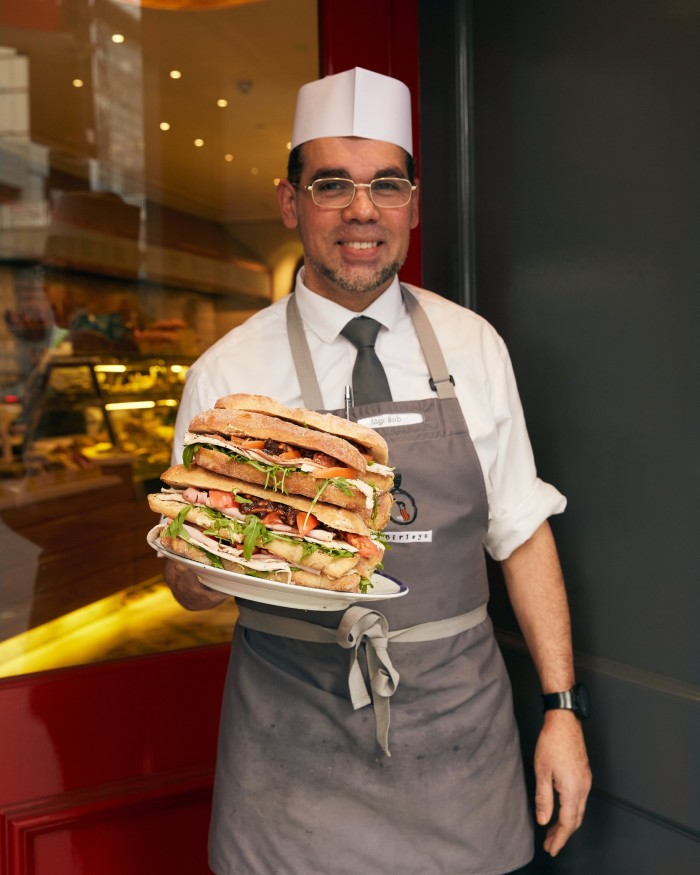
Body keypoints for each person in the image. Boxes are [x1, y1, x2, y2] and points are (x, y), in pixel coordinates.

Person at [164, 67, 592, 875]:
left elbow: (522, 534)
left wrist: (562, 709)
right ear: (291, 203)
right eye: (332, 184)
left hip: (459, 739)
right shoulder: (226, 375)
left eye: (386, 184)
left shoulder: (473, 345)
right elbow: (185, 583)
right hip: (289, 752)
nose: (362, 210)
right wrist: (212, 556)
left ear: (413, 205)